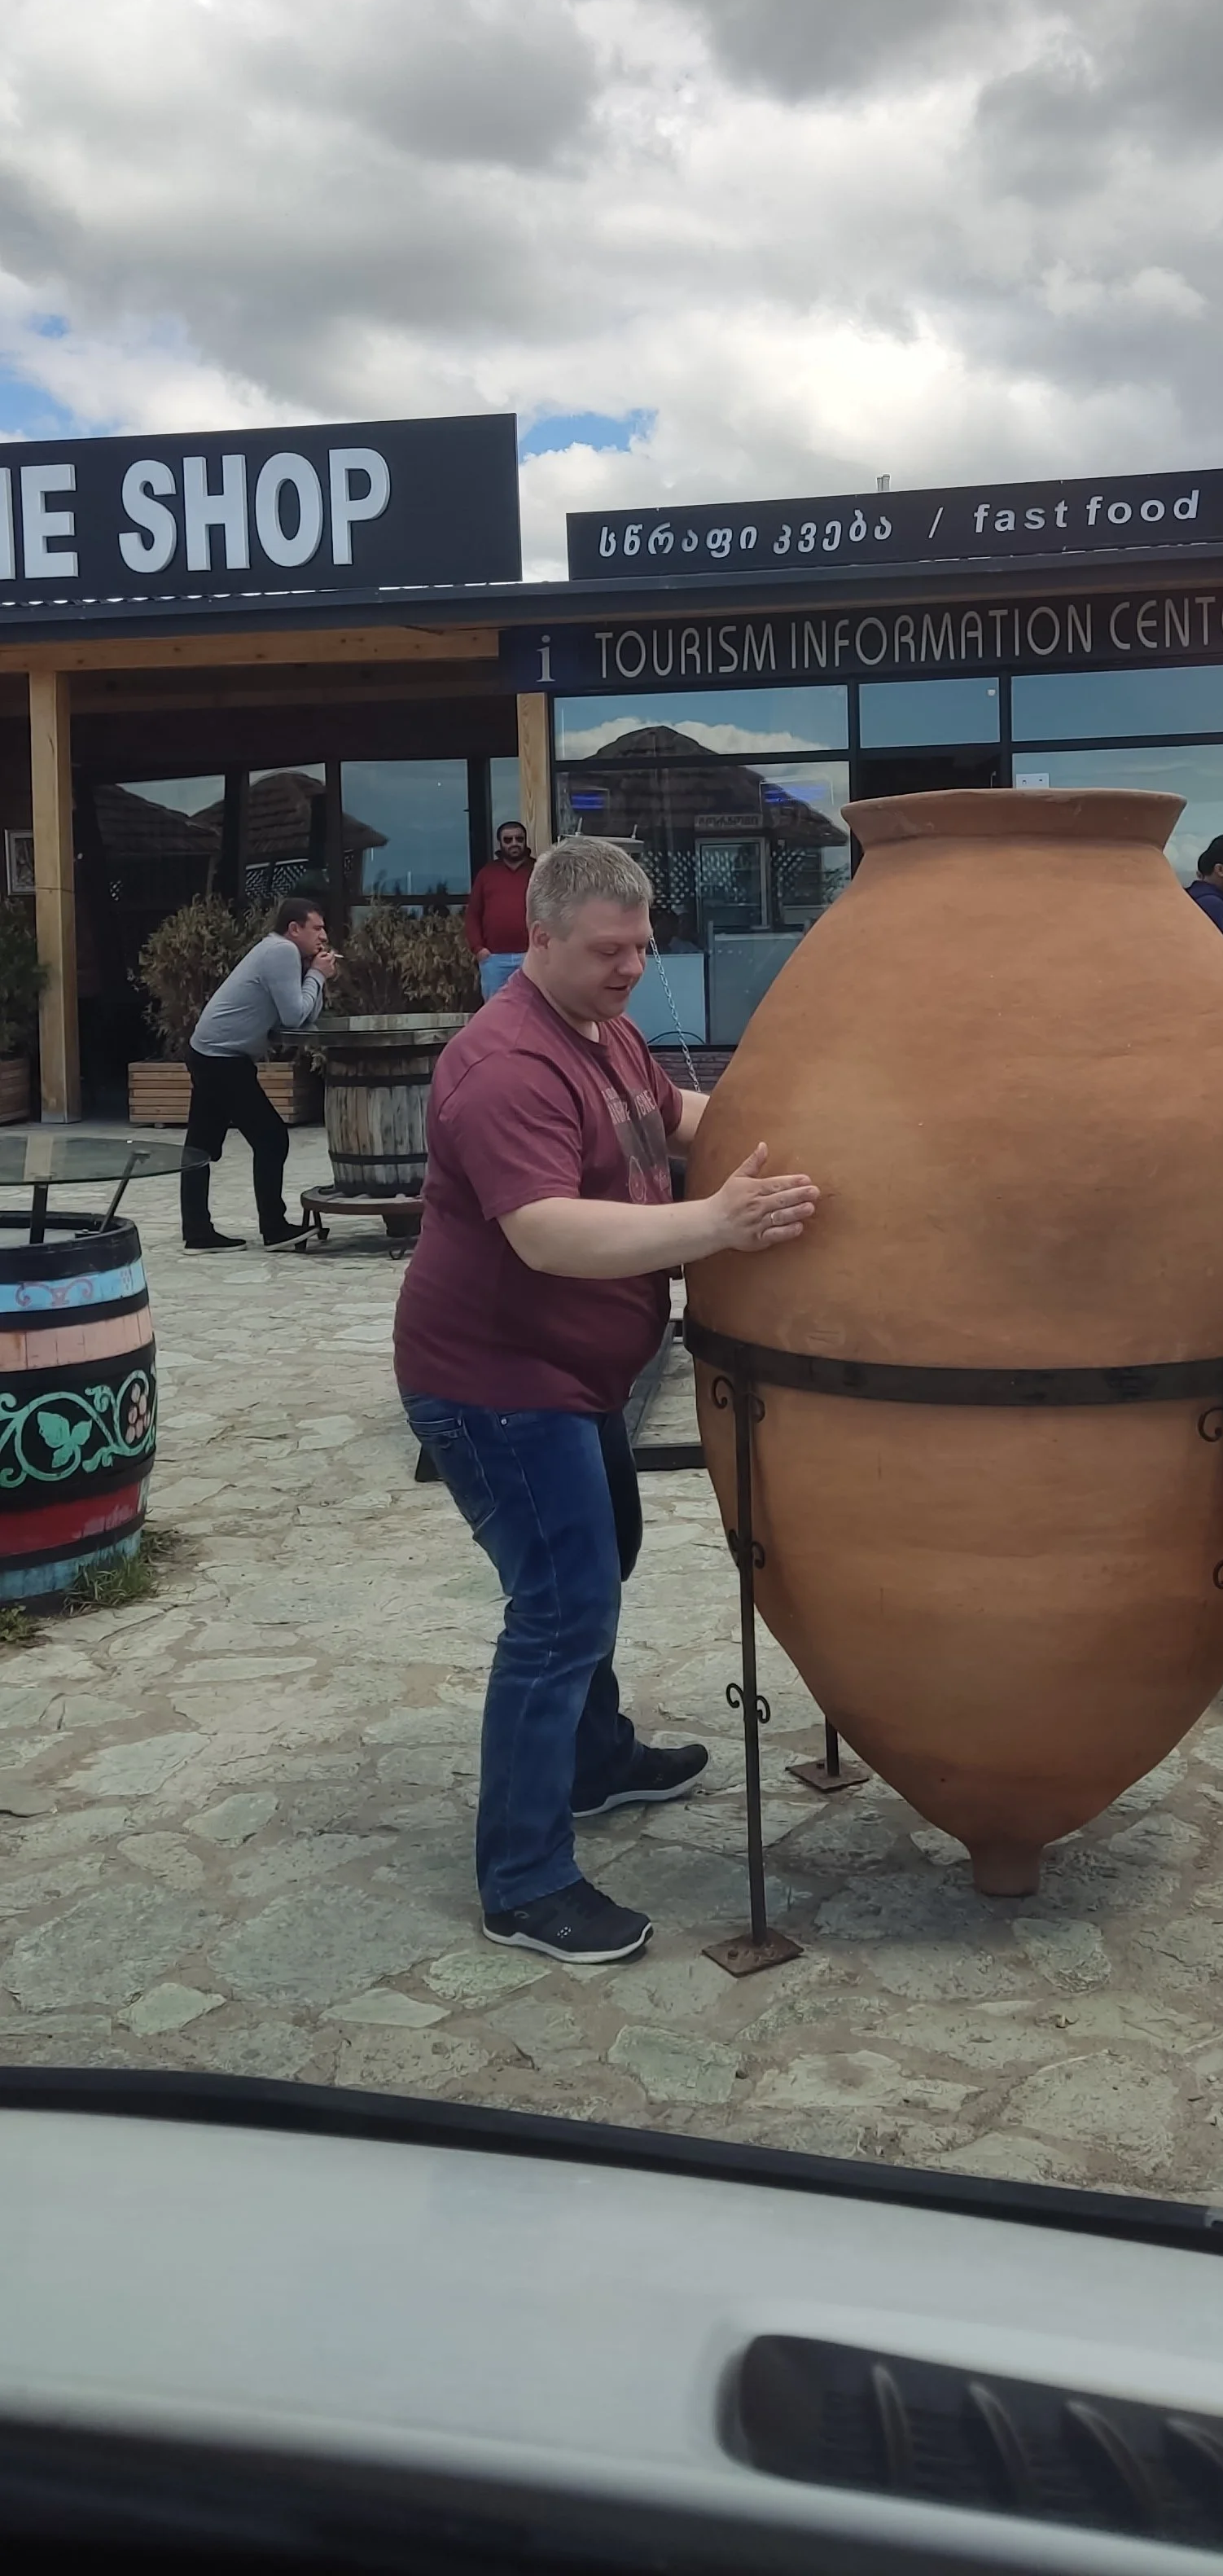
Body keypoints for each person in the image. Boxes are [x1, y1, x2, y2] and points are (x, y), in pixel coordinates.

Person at [395, 836, 819, 1971]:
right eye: (607, 950)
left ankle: (591, 1762)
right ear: (537, 939)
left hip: (576, 1376)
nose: (632, 967)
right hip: (493, 1383)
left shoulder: (605, 1031)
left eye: (642, 946)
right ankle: (524, 1881)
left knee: (604, 1553)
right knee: (559, 1605)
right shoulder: (504, 1067)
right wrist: (719, 1226)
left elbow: (676, 1114)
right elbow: (545, 1232)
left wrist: (801, 1123)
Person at [181, 897, 338, 1251]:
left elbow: (301, 1015)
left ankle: (197, 1232)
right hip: (222, 1058)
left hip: (209, 1051)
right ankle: (274, 1228)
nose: (324, 936)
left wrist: (314, 975)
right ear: (294, 928)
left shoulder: (280, 952)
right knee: (271, 1138)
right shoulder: (281, 952)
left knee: (200, 1148)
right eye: (317, 928)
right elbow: (295, 1016)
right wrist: (317, 975)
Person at [465, 818, 533, 1000]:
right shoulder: (487, 874)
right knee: (495, 1015)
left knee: (535, 1012)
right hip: (494, 960)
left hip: (532, 957)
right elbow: (472, 915)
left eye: (519, 839)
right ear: (500, 843)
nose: (514, 844)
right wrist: (479, 949)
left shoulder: (538, 871)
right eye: (508, 840)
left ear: (525, 841)